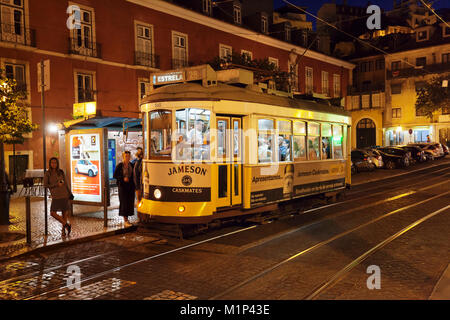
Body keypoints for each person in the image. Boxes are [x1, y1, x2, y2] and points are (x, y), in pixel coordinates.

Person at [44, 157, 72, 236]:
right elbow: (45, 185)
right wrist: (56, 184)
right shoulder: (47, 173)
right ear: (50, 164)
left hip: (64, 194)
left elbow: (65, 183)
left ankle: (64, 231)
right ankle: (66, 225)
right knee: (52, 213)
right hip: (56, 196)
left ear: (57, 164)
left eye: (55, 163)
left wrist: (70, 193)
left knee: (64, 213)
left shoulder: (61, 172)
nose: (54, 164)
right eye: (52, 163)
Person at [114, 151, 135, 226]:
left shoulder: (131, 165)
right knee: (124, 203)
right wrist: (123, 178)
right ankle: (125, 220)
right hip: (123, 187)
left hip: (130, 187)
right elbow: (115, 175)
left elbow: (133, 176)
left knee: (129, 203)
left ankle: (127, 219)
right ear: (123, 157)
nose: (127, 158)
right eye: (126, 156)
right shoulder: (120, 165)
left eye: (128, 156)